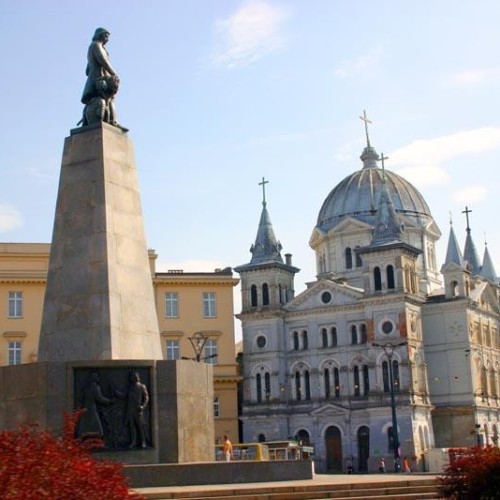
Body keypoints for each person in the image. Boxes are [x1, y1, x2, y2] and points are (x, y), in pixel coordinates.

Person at [81, 27, 121, 127]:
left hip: (100, 76)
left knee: (109, 98)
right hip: (98, 77)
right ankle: (111, 121)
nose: (107, 39)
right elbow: (103, 61)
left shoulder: (98, 47)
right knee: (100, 98)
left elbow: (87, 70)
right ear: (100, 35)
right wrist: (114, 74)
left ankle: (112, 121)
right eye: (106, 36)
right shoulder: (95, 45)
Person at [76, 371, 113, 438]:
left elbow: (80, 397)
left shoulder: (86, 387)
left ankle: (85, 437)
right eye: (97, 377)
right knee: (99, 431)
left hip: (85, 409)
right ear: (94, 378)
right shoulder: (95, 387)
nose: (98, 378)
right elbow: (99, 398)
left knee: (84, 427)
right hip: (92, 409)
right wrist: (109, 401)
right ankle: (91, 439)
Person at [122, 371, 149, 449]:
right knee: (132, 427)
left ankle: (143, 442)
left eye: (134, 376)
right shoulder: (130, 387)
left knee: (140, 426)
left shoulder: (142, 386)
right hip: (130, 409)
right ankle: (133, 442)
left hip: (138, 409)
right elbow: (124, 395)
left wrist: (143, 406)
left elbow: (146, 397)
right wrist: (115, 392)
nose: (133, 378)